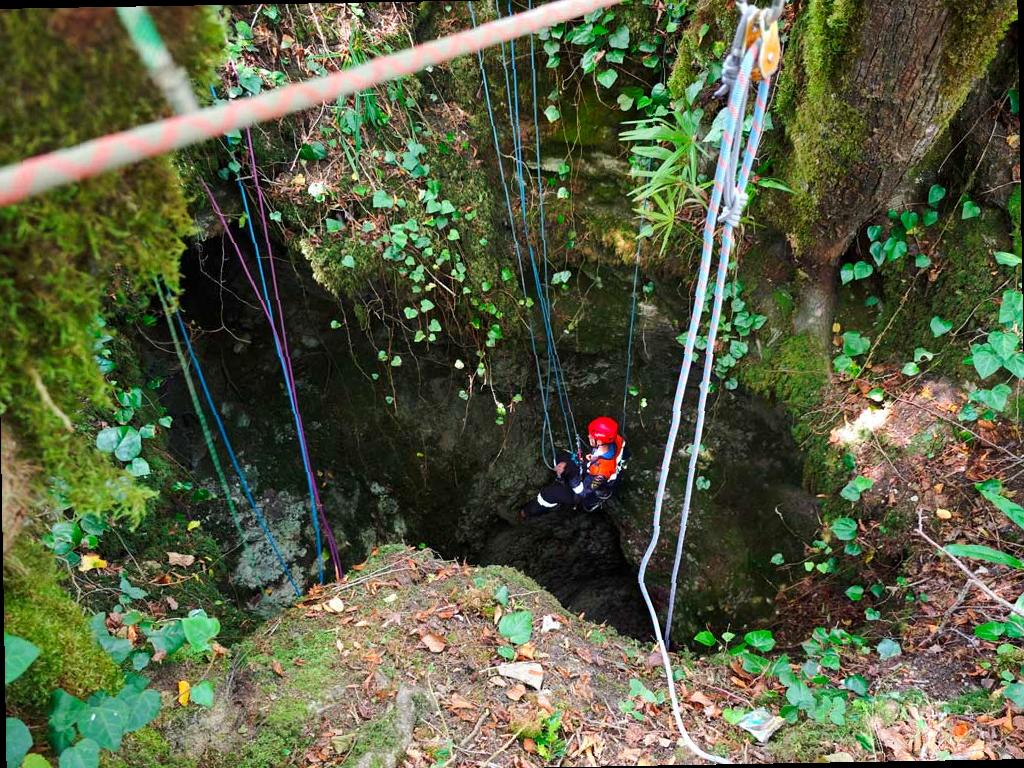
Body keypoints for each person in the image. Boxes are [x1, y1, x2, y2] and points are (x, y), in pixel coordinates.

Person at [520, 416, 629, 519]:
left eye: (591, 436)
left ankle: (527, 513)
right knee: (561, 458)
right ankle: (562, 478)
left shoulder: (601, 473)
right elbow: (625, 453)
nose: (588, 436)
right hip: (591, 470)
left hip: (587, 492)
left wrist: (568, 472)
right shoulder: (616, 440)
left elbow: (582, 491)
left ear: (600, 441)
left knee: (549, 494)